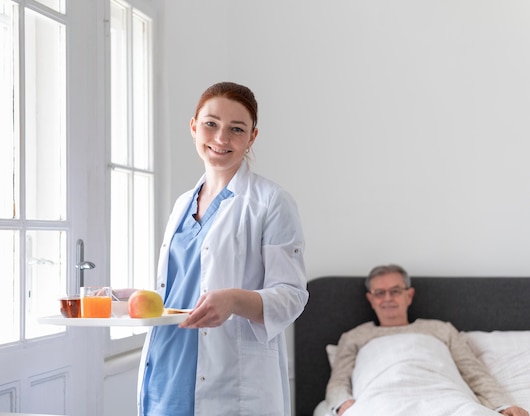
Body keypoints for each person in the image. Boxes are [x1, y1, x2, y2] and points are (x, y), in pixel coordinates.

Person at [136, 81, 309, 415]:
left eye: (236, 129)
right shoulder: (182, 204)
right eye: (211, 124)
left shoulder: (272, 202)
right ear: (193, 126)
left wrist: (234, 300)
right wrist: (127, 297)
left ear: (252, 137)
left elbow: (292, 295)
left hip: (229, 374)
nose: (220, 139)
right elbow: (178, 288)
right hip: (167, 363)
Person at [326, 264, 529, 416]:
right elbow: (338, 382)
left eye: (395, 291)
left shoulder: (440, 329)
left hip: (445, 397)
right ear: (371, 299)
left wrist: (502, 405)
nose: (387, 298)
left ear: (409, 295)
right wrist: (344, 404)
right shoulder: (354, 337)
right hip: (383, 400)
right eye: (379, 293)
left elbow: (473, 371)